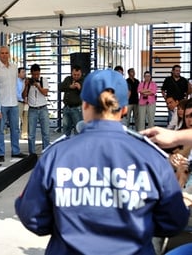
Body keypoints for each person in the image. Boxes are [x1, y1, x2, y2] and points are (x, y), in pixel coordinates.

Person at [15, 69, 189, 255]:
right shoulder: (151, 157)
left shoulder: (56, 155)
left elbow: (33, 217)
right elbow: (174, 220)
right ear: (123, 109)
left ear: (85, 105)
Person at [0, 46, 27, 162]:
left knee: (15, 129)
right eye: (2, 53)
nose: (4, 55)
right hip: (1, 103)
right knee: (0, 130)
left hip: (14, 103)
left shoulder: (14, 67)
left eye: (6, 53)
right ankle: (1, 153)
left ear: (9, 54)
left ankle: (16, 151)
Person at [22, 64, 50, 154]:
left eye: (37, 74)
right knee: (31, 134)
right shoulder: (28, 82)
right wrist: (26, 86)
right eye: (34, 74)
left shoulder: (43, 80)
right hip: (32, 109)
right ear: (31, 73)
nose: (36, 76)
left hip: (43, 108)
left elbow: (45, 93)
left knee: (46, 133)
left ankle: (46, 152)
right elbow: (23, 96)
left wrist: (38, 86)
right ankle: (32, 154)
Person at [59, 65, 83, 136]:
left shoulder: (84, 81)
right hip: (67, 107)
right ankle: (66, 145)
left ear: (81, 73)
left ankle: (78, 146)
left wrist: (80, 88)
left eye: (78, 75)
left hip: (77, 108)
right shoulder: (68, 79)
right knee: (66, 130)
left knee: (78, 130)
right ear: (71, 73)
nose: (76, 76)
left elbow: (88, 93)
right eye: (74, 75)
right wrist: (70, 87)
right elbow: (60, 87)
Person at [17, 67, 28, 140]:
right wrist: (22, 99)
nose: (24, 74)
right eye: (23, 72)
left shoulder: (25, 82)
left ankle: (24, 134)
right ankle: (16, 134)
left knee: (26, 118)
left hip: (25, 102)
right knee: (18, 119)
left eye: (25, 72)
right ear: (18, 73)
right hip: (19, 102)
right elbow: (16, 93)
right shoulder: (16, 82)